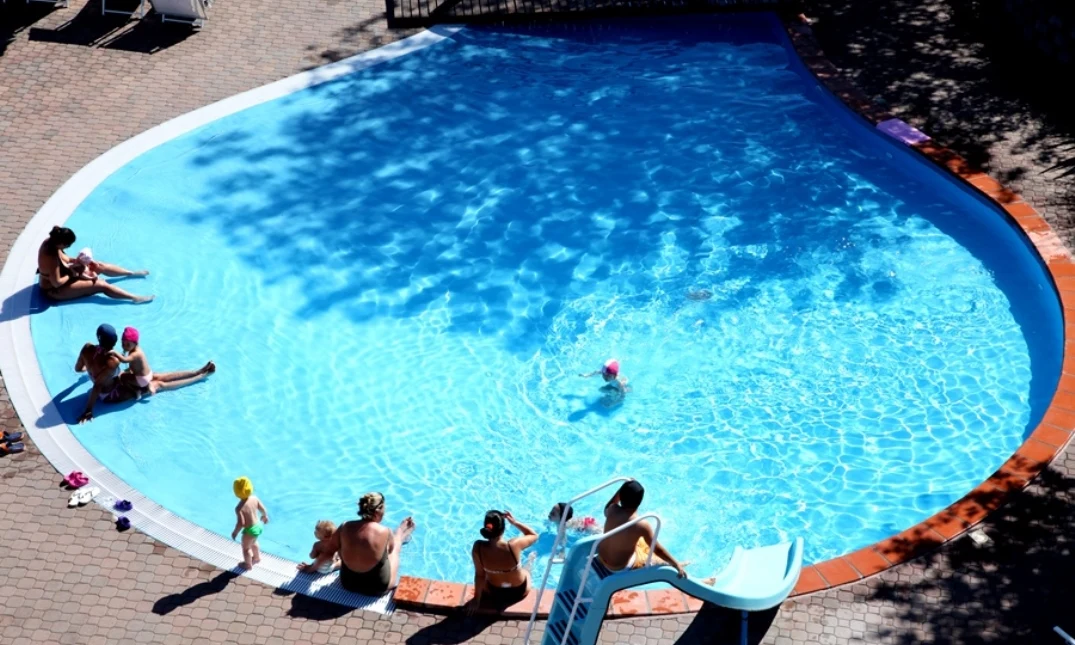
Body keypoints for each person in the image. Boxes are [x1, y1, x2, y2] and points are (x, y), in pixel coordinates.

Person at [325, 492, 415, 596]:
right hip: (377, 588)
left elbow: (329, 549)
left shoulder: (344, 526)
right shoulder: (385, 531)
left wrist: (312, 567)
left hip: (348, 583)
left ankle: (343, 563)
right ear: (378, 511)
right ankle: (400, 533)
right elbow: (390, 551)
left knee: (343, 547)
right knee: (393, 551)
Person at [37, 226, 153, 303]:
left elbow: (66, 259)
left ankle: (130, 273)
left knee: (99, 266)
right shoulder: (50, 256)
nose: (68, 248)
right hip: (54, 290)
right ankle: (134, 298)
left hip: (66, 275)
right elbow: (57, 283)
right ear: (61, 243)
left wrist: (81, 261)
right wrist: (72, 274)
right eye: (68, 246)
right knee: (101, 285)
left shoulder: (53, 243)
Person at [597, 480, 687, 577]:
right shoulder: (640, 525)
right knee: (656, 560)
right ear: (640, 501)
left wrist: (623, 488)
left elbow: (608, 506)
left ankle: (673, 564)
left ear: (620, 495)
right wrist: (676, 563)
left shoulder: (612, 509)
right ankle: (679, 567)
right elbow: (657, 550)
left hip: (601, 557)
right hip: (618, 568)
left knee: (639, 541)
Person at [110, 327, 215, 398]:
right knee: (165, 376)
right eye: (123, 343)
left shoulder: (135, 354)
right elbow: (133, 366)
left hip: (142, 380)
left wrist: (114, 353)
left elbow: (124, 360)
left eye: (127, 344)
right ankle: (198, 372)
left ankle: (137, 391)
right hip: (147, 375)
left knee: (160, 384)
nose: (124, 346)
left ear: (135, 343)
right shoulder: (136, 350)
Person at [467, 510, 539, 612]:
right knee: (526, 569)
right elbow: (534, 535)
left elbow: (480, 575)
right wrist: (514, 522)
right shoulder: (513, 545)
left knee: (488, 573)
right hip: (519, 591)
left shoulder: (478, 547)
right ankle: (530, 561)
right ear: (503, 529)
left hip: (494, 592)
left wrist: (476, 599)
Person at [75, 324, 133, 424]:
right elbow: (97, 386)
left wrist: (89, 369)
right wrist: (88, 410)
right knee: (146, 385)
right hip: (109, 394)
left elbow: (78, 369)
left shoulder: (87, 348)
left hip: (104, 385)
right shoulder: (112, 361)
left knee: (144, 378)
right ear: (115, 340)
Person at [231, 476, 269, 570]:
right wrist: (264, 516)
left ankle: (247, 564)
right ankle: (256, 558)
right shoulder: (254, 498)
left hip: (250, 530)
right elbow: (263, 509)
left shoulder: (239, 508)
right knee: (254, 542)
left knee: (246, 549)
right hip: (258, 526)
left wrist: (235, 532)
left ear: (236, 493)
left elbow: (241, 523)